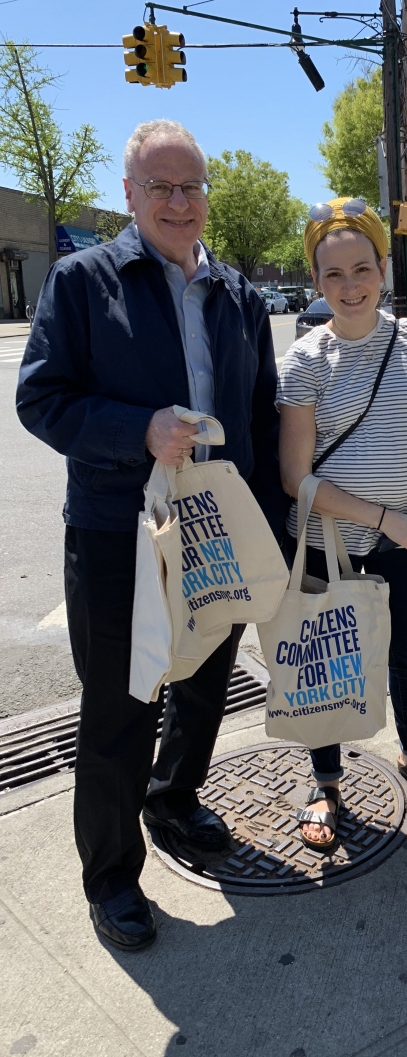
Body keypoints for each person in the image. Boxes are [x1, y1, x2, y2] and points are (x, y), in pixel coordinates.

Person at [16, 120, 286, 951]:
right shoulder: (80, 281)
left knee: (205, 685)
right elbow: (42, 400)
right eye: (160, 187)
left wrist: (270, 537)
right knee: (120, 707)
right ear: (130, 196)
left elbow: (258, 421)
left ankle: (173, 801)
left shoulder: (238, 294)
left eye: (191, 186)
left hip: (216, 531)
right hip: (117, 534)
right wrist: (139, 430)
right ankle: (111, 876)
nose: (179, 202)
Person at [277, 197, 407, 852]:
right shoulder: (302, 362)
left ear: (384, 268)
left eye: (362, 269)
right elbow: (295, 478)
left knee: (406, 654)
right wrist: (380, 515)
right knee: (327, 661)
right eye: (333, 275)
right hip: (332, 540)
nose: (349, 286)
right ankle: (326, 781)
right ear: (316, 281)